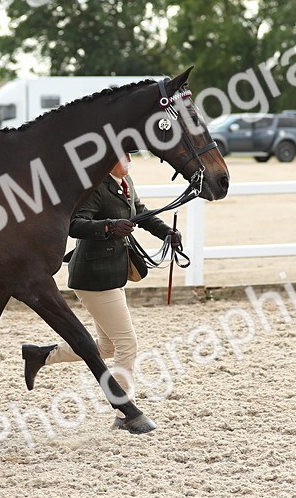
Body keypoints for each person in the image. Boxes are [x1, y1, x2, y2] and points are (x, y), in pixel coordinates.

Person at [22, 154, 180, 393]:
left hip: (111, 273)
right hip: (93, 276)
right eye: (123, 156)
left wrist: (166, 232)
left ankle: (41, 356)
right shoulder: (95, 186)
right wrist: (109, 225)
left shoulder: (125, 182)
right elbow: (74, 224)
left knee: (108, 348)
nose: (129, 160)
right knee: (127, 344)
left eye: (129, 156)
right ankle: (124, 407)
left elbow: (140, 211)